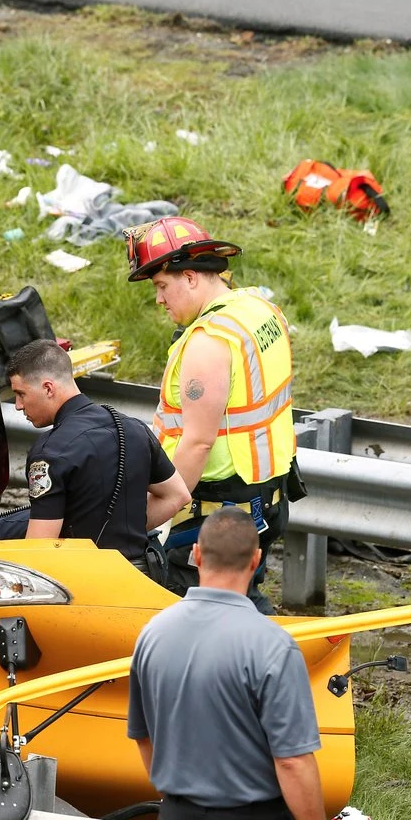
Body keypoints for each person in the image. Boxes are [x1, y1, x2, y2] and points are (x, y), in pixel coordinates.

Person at [123, 216, 301, 613]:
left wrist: (154, 518)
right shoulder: (259, 310)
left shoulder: (208, 343)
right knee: (241, 605)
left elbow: (198, 440)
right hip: (265, 496)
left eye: (161, 286)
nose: (159, 299)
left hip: (212, 512)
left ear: (190, 277)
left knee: (190, 615)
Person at [127, 507, 325, 820]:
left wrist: (181, 796)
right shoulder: (273, 645)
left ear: (197, 554)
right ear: (256, 560)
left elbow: (143, 736)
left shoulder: (152, 634)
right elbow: (292, 761)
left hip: (178, 812)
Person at [0, 339, 190, 582]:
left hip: (85, 584)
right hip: (141, 578)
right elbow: (178, 495)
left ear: (48, 388)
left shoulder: (50, 451)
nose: (18, 406)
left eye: (21, 394)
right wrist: (126, 529)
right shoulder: (134, 429)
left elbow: (39, 551)